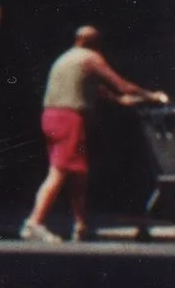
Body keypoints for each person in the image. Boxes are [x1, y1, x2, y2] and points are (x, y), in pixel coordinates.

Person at [23, 24, 163, 244]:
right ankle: (34, 223)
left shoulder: (66, 59)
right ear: (96, 43)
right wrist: (153, 95)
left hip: (51, 117)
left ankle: (81, 225)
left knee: (78, 173)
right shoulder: (90, 58)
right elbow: (122, 85)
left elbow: (94, 88)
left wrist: (117, 101)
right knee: (58, 172)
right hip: (70, 118)